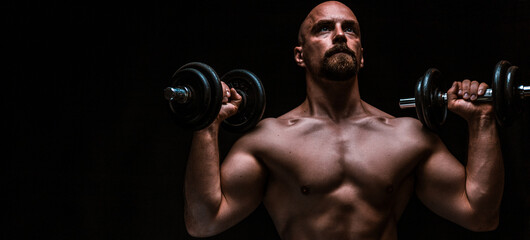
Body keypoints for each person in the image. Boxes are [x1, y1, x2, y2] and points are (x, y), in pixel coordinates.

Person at [183, 1, 504, 239]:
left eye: (350, 29)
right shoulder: (268, 140)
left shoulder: (408, 136)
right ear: (300, 54)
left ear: (361, 54)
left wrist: (482, 121)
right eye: (323, 28)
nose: (340, 35)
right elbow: (204, 221)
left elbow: (480, 214)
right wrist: (207, 126)